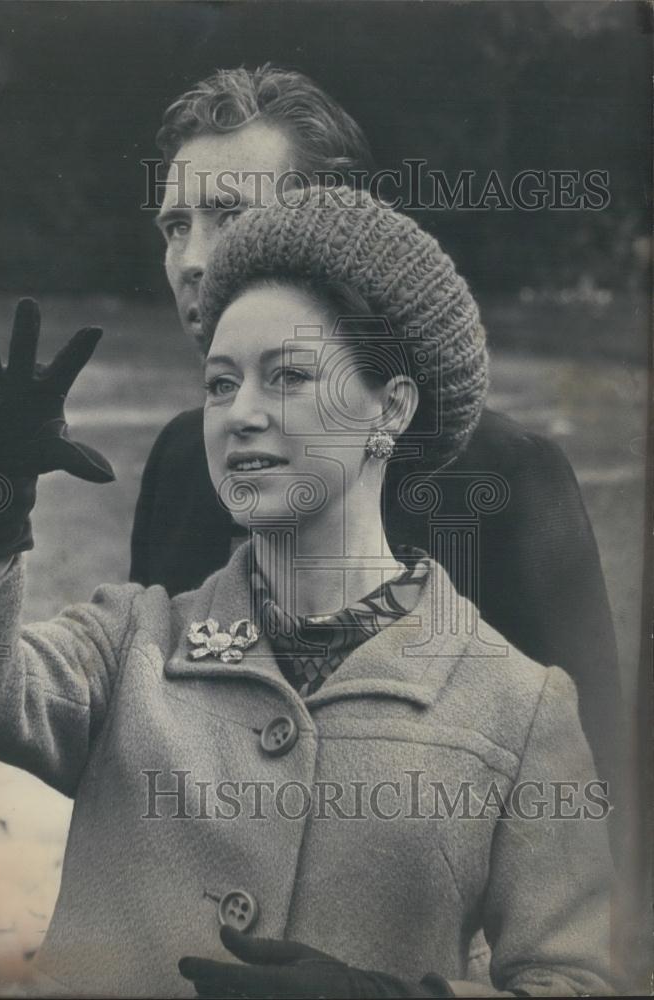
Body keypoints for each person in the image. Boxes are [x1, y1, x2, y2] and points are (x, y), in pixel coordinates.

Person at [0, 190, 616, 997]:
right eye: (218, 384)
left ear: (391, 406)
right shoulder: (130, 643)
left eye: (287, 376)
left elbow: (572, 979)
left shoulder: (520, 709)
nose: (239, 415)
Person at [131, 65, 622, 801]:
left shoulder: (506, 476)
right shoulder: (180, 460)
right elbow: (141, 745)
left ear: (333, 225)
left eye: (228, 216)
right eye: (176, 226)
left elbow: (593, 789)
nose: (193, 260)